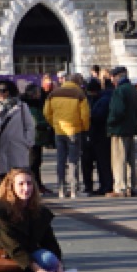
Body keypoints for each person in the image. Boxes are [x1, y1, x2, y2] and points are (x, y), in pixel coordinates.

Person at [43, 73, 91, 201]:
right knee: (73, 161)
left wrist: (54, 123)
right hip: (74, 130)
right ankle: (74, 190)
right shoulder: (79, 94)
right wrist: (84, 128)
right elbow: (85, 115)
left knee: (60, 160)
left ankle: (61, 190)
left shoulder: (54, 93)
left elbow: (46, 112)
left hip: (59, 130)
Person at [0, 79, 34, 186]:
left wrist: (27, 141)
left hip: (17, 147)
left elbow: (29, 126)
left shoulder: (21, 106)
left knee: (18, 178)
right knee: (1, 181)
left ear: (11, 91)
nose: (1, 93)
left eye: (4, 90)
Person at [104, 67, 137, 196]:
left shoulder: (119, 91)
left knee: (119, 159)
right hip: (131, 128)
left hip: (119, 129)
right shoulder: (132, 89)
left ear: (118, 76)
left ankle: (120, 187)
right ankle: (131, 186)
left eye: (113, 77)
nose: (112, 80)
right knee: (130, 159)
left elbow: (117, 111)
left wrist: (110, 123)